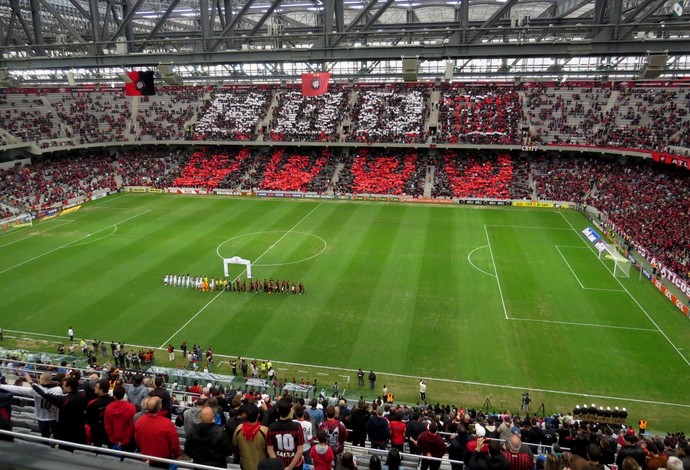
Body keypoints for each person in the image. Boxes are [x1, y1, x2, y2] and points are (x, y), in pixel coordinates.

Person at [1, 371, 60, 441]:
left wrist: (1, 386)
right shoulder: (58, 389)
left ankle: (47, 446)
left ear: (43, 380)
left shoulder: (35, 391)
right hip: (55, 417)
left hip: (42, 418)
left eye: (40, 379)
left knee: (45, 437)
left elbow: (17, 389)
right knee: (56, 436)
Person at [134, 396, 181, 468]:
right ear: (160, 407)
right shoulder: (167, 423)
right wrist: (176, 456)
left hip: (145, 458)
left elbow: (137, 439)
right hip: (162, 460)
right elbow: (174, 444)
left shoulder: (139, 421)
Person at [267, 398, 305, 470]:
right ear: (290, 410)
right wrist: (290, 467)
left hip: (279, 464)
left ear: (278, 410)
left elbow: (270, 450)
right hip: (295, 465)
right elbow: (300, 450)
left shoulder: (272, 427)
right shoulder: (297, 427)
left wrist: (278, 465)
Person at [233, 403, 269, 470]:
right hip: (260, 466)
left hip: (245, 465)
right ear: (258, 415)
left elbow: (235, 446)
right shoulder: (265, 431)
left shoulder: (239, 429)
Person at [104, 385, 137, 452]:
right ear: (124, 394)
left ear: (114, 395)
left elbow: (107, 425)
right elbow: (131, 426)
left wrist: (112, 439)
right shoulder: (131, 408)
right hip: (127, 441)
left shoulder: (109, 407)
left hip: (113, 440)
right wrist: (125, 440)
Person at [85, 379, 115, 448]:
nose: (94, 388)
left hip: (96, 432)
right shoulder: (113, 400)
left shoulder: (93, 404)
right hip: (109, 431)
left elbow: (88, 420)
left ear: (101, 390)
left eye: (96, 387)